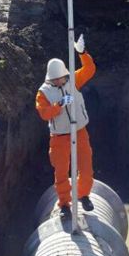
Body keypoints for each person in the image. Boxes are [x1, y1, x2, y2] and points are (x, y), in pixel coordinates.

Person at [35, 34, 95, 221]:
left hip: (80, 131)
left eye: (62, 78)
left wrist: (82, 53)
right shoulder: (43, 93)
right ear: (50, 79)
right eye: (56, 80)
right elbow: (44, 113)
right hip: (59, 137)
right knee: (61, 172)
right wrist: (59, 105)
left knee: (85, 168)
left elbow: (90, 69)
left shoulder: (73, 81)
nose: (60, 82)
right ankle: (64, 204)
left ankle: (83, 195)